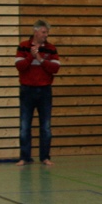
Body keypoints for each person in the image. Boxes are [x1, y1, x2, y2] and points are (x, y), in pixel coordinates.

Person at [15, 19, 60, 166]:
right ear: (36, 32)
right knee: (25, 126)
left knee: (45, 127)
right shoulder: (23, 46)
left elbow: (55, 68)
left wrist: (40, 59)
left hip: (45, 90)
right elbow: (20, 66)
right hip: (27, 90)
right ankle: (24, 157)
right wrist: (31, 56)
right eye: (43, 32)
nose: (46, 35)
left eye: (47, 32)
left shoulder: (51, 48)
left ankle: (45, 157)